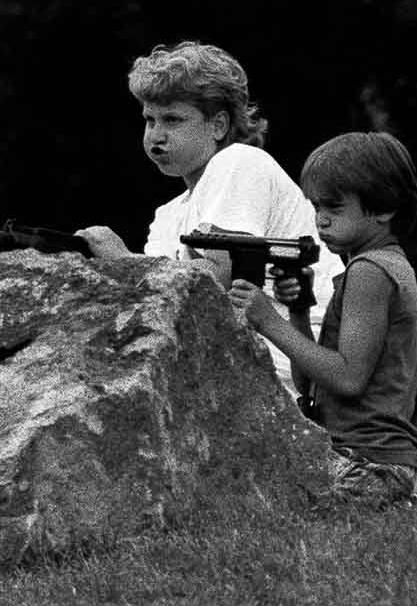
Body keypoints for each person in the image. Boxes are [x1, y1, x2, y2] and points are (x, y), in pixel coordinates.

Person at [77, 40, 342, 399]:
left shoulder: (240, 163)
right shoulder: (168, 215)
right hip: (229, 368)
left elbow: (218, 276)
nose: (156, 135)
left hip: (292, 374)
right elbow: (156, 299)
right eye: (149, 119)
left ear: (217, 125)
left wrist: (123, 262)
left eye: (172, 119)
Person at [231, 131, 417, 506]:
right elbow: (311, 384)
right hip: (354, 454)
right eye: (316, 208)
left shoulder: (371, 271)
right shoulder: (374, 267)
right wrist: (299, 311)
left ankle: (398, 507)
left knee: (285, 511)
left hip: (369, 461)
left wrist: (268, 320)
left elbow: (348, 378)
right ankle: (396, 505)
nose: (320, 221)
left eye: (334, 209)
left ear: (384, 209)